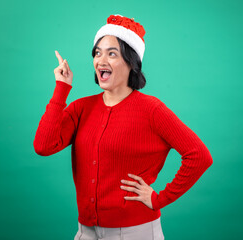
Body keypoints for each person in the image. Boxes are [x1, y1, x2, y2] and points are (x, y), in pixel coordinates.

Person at [33, 14, 213, 240]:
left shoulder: (152, 110)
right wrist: (61, 89)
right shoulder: (81, 108)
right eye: (97, 53)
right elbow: (43, 145)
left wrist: (159, 199)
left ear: (131, 62)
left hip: (135, 232)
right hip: (85, 231)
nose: (101, 60)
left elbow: (199, 156)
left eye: (112, 53)